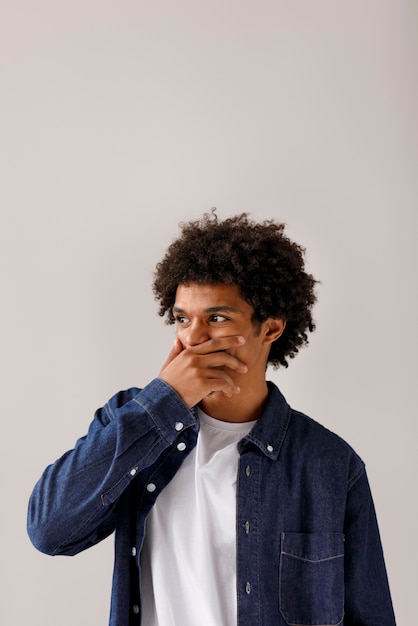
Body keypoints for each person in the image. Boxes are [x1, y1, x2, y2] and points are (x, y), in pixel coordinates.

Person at [27, 212, 396, 625]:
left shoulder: (329, 464)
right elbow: (49, 531)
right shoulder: (131, 422)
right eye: (183, 318)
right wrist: (163, 404)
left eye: (216, 318)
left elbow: (371, 614)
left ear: (270, 329)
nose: (193, 337)